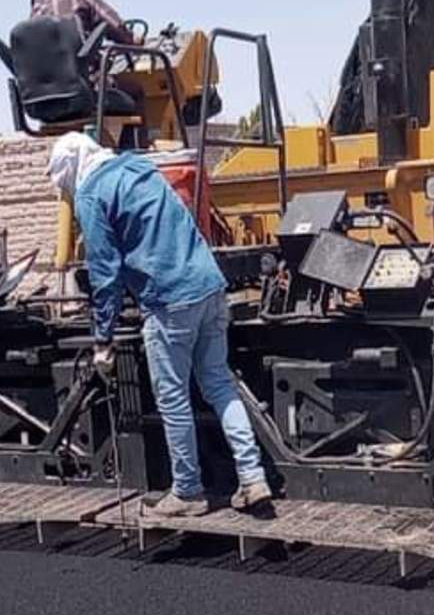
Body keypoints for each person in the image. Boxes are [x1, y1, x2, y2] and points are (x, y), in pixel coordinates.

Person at [48, 132, 271, 517]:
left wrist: (103, 340)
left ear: (71, 169)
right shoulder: (140, 167)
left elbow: (104, 272)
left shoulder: (91, 194)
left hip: (169, 301)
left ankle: (188, 492)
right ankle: (253, 479)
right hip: (210, 286)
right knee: (219, 384)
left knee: (173, 398)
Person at [29, 0, 135, 47]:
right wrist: (130, 39)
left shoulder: (32, 18)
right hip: (81, 67)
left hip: (44, 71)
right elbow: (111, 20)